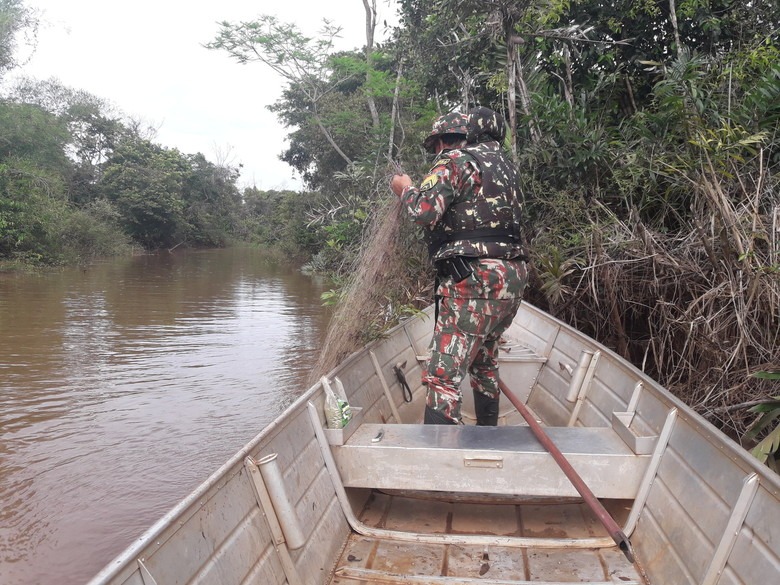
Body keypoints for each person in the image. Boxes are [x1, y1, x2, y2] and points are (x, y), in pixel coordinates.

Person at [390, 107, 528, 426]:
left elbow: (424, 211)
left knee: (442, 377)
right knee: (484, 362)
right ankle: (488, 437)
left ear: (445, 141)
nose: (435, 153)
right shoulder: (507, 168)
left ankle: (441, 465)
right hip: (513, 279)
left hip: (473, 280)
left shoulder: (454, 159)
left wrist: (405, 189)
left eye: (436, 145)